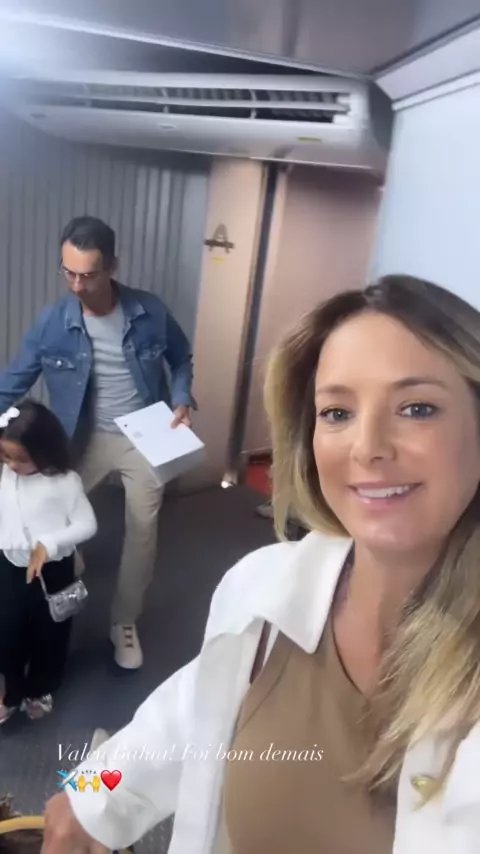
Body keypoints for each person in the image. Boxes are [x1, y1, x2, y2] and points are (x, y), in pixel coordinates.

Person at [41, 275, 480, 854]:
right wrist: (91, 792)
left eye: (417, 408)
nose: (367, 446)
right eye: (337, 412)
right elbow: (188, 715)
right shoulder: (268, 585)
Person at [0, 216, 196, 670]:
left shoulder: (149, 312)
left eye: (88, 275)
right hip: (81, 435)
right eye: (68, 272)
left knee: (143, 530)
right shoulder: (53, 322)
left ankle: (123, 621)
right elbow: (13, 381)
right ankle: (68, 559)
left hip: (144, 435)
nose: (77, 285)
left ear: (111, 266)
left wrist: (181, 398)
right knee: (48, 508)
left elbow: (181, 358)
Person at [0, 402, 97, 724]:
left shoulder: (64, 482)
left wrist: (49, 543)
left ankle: (40, 688)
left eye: (20, 458)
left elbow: (87, 524)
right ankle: (12, 690)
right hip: (11, 564)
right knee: (7, 630)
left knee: (50, 632)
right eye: (5, 456)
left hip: (52, 568)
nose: (11, 465)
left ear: (44, 451)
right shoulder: (7, 473)